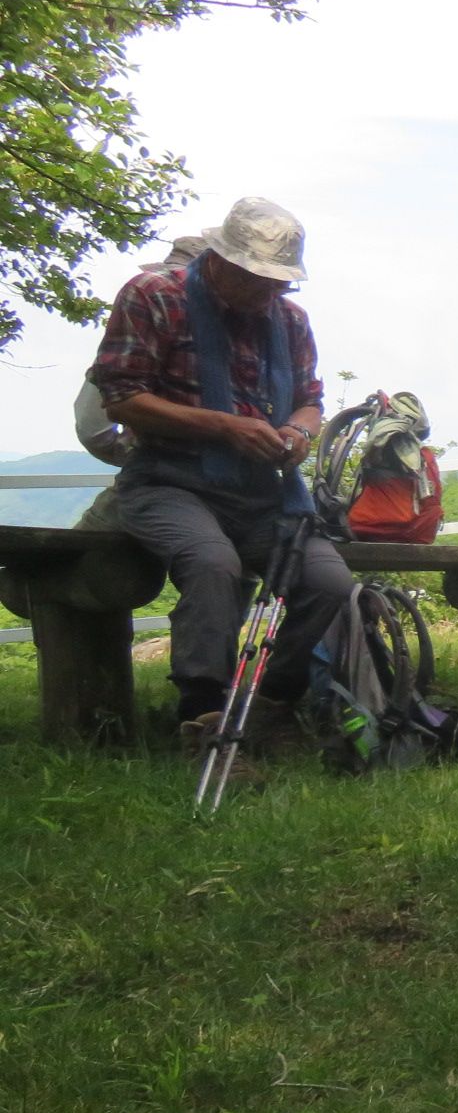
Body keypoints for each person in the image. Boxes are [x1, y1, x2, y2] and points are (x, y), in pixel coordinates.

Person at [88, 197, 352, 750]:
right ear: (222, 262)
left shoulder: (289, 319)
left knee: (329, 582)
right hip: (167, 480)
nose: (269, 293)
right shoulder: (154, 298)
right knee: (213, 564)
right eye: (258, 280)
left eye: (279, 283)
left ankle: (272, 703)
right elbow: (122, 399)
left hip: (260, 494)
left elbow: (309, 401)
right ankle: (203, 716)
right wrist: (225, 427)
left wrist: (298, 434)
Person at [74, 234, 207, 531]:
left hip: (149, 486)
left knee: (80, 557)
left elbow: (91, 429)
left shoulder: (132, 340)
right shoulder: (257, 338)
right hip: (241, 500)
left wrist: (137, 452)